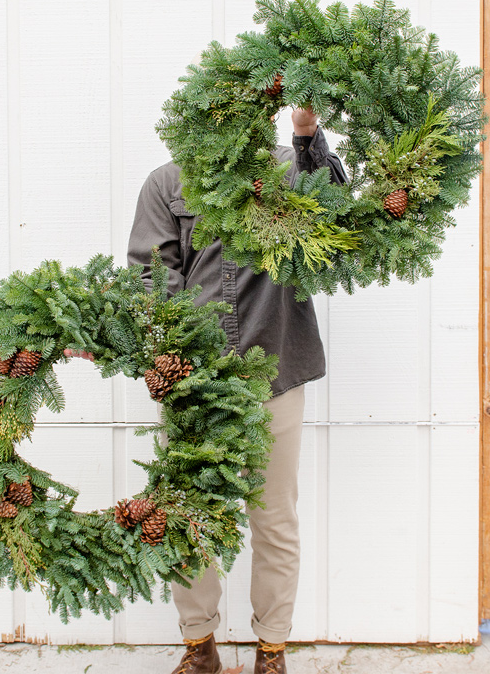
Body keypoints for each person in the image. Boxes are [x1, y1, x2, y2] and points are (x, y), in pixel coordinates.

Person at [127, 107, 346, 674]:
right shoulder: (168, 182)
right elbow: (151, 272)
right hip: (194, 381)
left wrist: (306, 135)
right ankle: (199, 646)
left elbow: (336, 202)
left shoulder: (285, 171)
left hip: (275, 371)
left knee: (274, 517)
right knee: (189, 513)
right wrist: (172, 352)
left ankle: (271, 648)